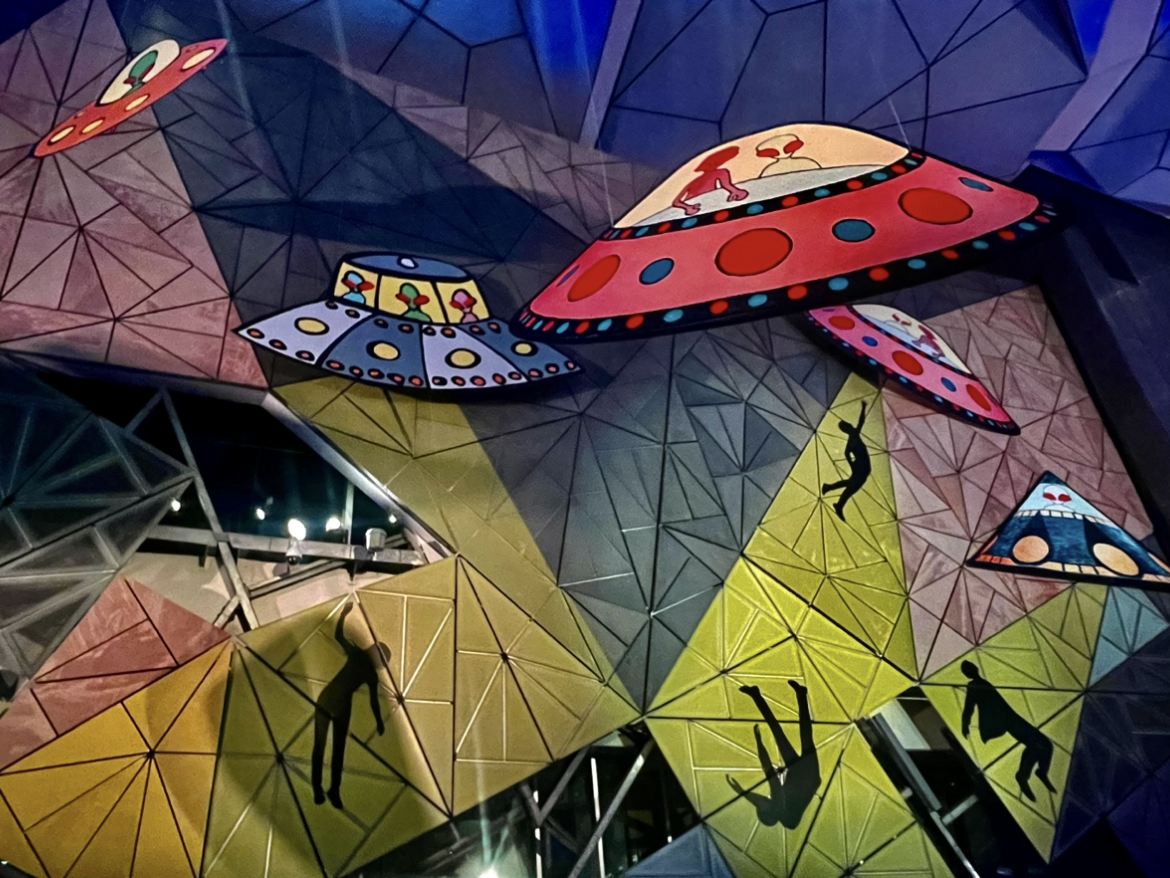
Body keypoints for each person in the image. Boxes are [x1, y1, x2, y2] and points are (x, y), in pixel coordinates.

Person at [311, 601, 389, 809]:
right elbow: (338, 636)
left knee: (333, 748)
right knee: (325, 746)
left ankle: (331, 789)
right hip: (333, 699)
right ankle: (320, 788)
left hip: (339, 701)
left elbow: (373, 701)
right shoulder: (361, 659)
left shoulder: (365, 665)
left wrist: (379, 721)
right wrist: (379, 722)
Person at [726, 681, 820, 829]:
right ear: (770, 810)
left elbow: (767, 770)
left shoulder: (779, 804)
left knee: (780, 733)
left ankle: (758, 695)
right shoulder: (782, 809)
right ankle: (799, 694)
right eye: (763, 803)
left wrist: (743, 793)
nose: (763, 799)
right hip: (808, 775)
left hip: (799, 775)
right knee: (801, 735)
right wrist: (742, 793)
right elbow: (767, 768)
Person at [959, 660, 1056, 802]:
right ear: (967, 673)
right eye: (968, 668)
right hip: (1006, 721)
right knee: (1038, 744)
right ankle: (1023, 776)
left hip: (1011, 717)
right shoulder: (973, 685)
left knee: (1043, 744)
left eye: (971, 666)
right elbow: (969, 706)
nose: (972, 669)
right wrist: (965, 724)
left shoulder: (981, 682)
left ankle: (1040, 773)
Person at [821, 402, 871, 521]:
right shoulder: (853, 436)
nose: (851, 425)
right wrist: (863, 408)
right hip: (861, 465)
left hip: (862, 465)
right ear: (847, 428)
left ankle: (830, 489)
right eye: (848, 425)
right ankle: (837, 502)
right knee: (853, 485)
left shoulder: (852, 438)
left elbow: (846, 452)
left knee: (852, 483)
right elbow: (861, 422)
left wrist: (852, 464)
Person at [672, 145, 749, 216]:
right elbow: (728, 186)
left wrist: (688, 207)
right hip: (704, 208)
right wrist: (688, 207)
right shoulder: (719, 173)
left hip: (706, 207)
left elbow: (676, 202)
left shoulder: (694, 182)